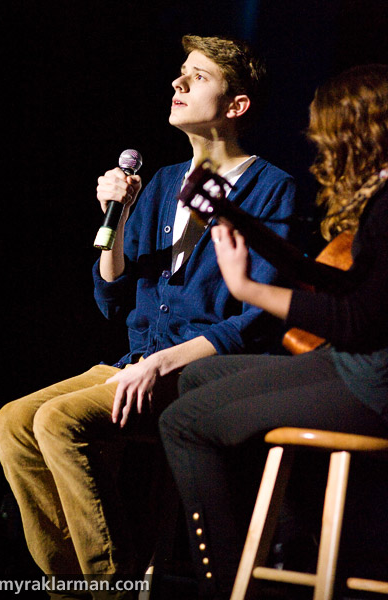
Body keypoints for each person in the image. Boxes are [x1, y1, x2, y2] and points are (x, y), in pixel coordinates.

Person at [0, 34, 297, 594]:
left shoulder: (272, 190)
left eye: (198, 77)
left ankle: (110, 584)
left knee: (57, 421)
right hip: (136, 359)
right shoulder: (159, 184)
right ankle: (74, 583)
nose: (178, 83)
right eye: (181, 73)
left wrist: (161, 365)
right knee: (11, 422)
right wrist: (119, 217)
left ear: (236, 106)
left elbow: (257, 320)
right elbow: (112, 298)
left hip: (199, 369)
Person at [159, 63, 388, 599]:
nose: (321, 146)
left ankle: (231, 587)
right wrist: (241, 222)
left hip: (373, 385)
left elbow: (358, 320)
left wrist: (250, 289)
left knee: (183, 423)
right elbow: (350, 286)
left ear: (357, 131)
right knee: (199, 380)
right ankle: (283, 544)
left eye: (328, 135)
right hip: (360, 366)